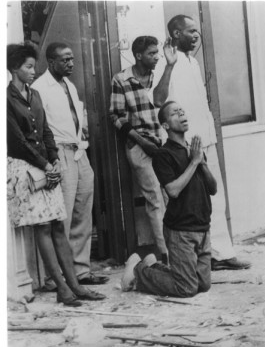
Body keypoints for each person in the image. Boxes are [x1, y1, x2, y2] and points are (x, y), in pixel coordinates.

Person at [7, 42, 106, 306]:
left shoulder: (41, 92)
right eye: (28, 66)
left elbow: (45, 130)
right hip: (35, 166)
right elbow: (18, 140)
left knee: (70, 218)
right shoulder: (26, 92)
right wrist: (49, 162)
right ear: (14, 68)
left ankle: (76, 280)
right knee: (50, 226)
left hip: (63, 156)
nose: (71, 63)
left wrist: (51, 161)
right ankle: (59, 283)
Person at [153, 15, 251, 271]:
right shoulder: (168, 62)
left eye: (197, 31)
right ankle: (192, 257)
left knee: (214, 198)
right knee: (188, 200)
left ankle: (220, 254)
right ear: (175, 34)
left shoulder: (193, 62)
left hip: (205, 140)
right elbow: (157, 99)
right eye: (191, 31)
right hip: (185, 146)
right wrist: (169, 66)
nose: (196, 36)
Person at [32, 42, 108, 288]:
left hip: (78, 152)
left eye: (72, 59)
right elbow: (40, 129)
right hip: (59, 154)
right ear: (51, 62)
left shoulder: (70, 86)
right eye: (65, 60)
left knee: (83, 212)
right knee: (61, 217)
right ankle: (58, 277)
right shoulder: (39, 88)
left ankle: (80, 271)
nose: (71, 63)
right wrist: (50, 160)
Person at [121, 101, 216, 297]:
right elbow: (173, 190)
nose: (181, 113)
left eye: (182, 110)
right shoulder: (163, 155)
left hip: (202, 227)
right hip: (181, 229)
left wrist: (201, 163)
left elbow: (213, 188)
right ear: (165, 126)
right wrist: (194, 163)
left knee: (203, 285)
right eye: (175, 113)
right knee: (187, 289)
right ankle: (139, 271)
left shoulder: (194, 150)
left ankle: (154, 266)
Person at [109, 36, 168, 264]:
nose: (156, 57)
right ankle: (166, 254)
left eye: (157, 53)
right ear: (138, 55)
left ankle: (176, 248)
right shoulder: (122, 79)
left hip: (161, 145)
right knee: (154, 198)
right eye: (152, 53)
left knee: (169, 195)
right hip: (140, 146)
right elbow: (116, 116)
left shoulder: (157, 77)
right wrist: (143, 142)